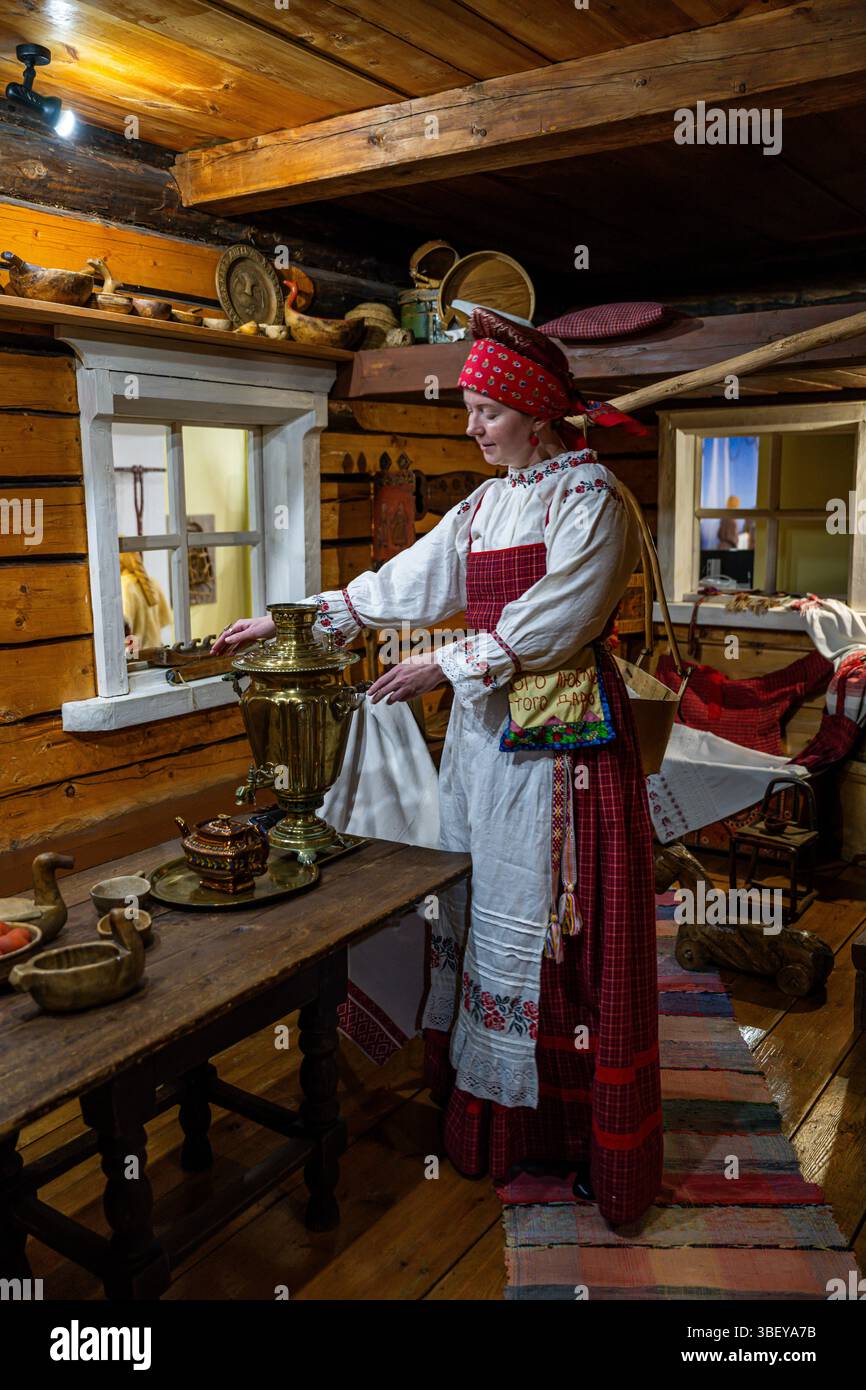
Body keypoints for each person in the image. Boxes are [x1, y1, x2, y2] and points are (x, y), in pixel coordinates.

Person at [212, 309, 663, 1227]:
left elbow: (561, 618)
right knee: (474, 891)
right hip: (484, 742)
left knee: (554, 925)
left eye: (485, 413)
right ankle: (492, 1126)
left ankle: (577, 1139)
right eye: (466, 409)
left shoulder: (591, 500)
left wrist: (448, 664)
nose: (470, 428)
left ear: (536, 417)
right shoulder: (484, 504)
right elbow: (402, 582)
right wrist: (290, 618)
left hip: (562, 749)